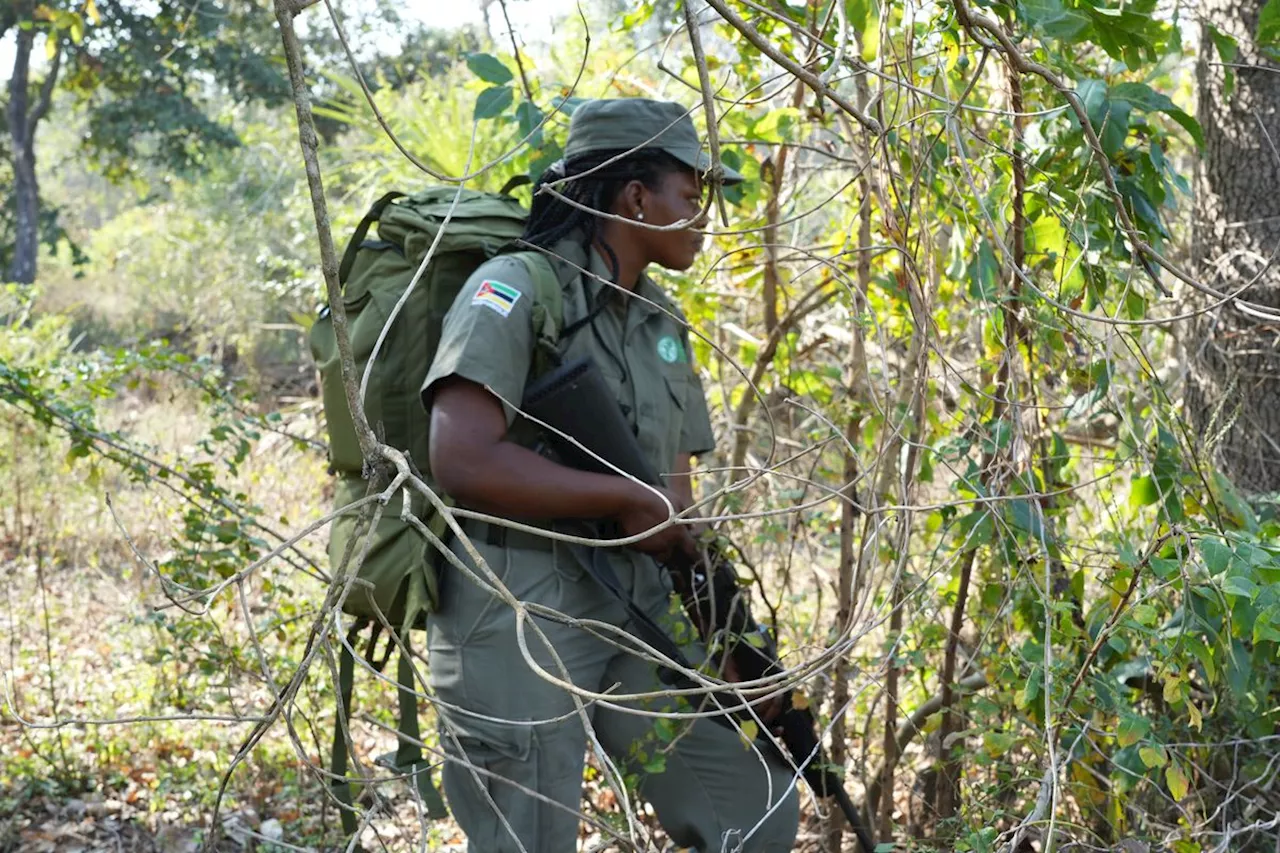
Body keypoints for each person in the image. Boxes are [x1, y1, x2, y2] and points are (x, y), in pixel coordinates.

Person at [418, 98, 801, 853]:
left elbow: (675, 503)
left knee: (754, 814)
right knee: (526, 839)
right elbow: (459, 457)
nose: (701, 216)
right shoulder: (517, 288)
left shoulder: (661, 323)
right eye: (691, 196)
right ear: (635, 196)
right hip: (515, 599)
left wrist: (728, 632)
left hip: (632, 600)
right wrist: (622, 498)